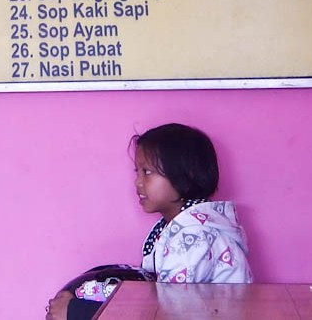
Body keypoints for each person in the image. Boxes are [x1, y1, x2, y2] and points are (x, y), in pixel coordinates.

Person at [46, 123, 251, 319]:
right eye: (138, 172)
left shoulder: (194, 236)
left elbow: (166, 314)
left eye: (147, 172)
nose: (138, 182)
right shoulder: (179, 227)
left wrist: (79, 313)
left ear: (186, 175)